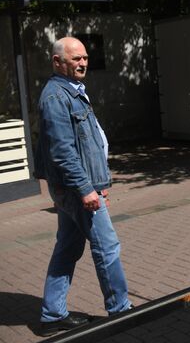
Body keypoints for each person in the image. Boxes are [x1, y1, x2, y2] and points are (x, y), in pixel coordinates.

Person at [34, 37, 132, 336]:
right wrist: (86, 189)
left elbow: (88, 143)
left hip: (81, 186)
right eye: (76, 58)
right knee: (107, 246)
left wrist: (97, 184)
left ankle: (52, 316)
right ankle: (120, 311)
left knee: (68, 247)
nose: (83, 63)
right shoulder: (55, 97)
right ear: (57, 62)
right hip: (77, 189)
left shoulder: (72, 92)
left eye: (85, 57)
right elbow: (62, 151)